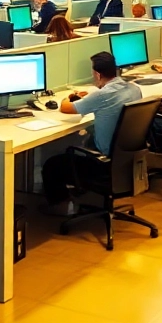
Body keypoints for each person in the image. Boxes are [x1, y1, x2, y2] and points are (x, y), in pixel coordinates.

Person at [40, 52, 143, 215]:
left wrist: (70, 96)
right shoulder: (134, 89)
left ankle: (63, 208)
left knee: (52, 165)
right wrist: (90, 98)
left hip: (103, 164)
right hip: (126, 162)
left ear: (97, 74)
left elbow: (65, 108)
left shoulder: (101, 95)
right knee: (85, 138)